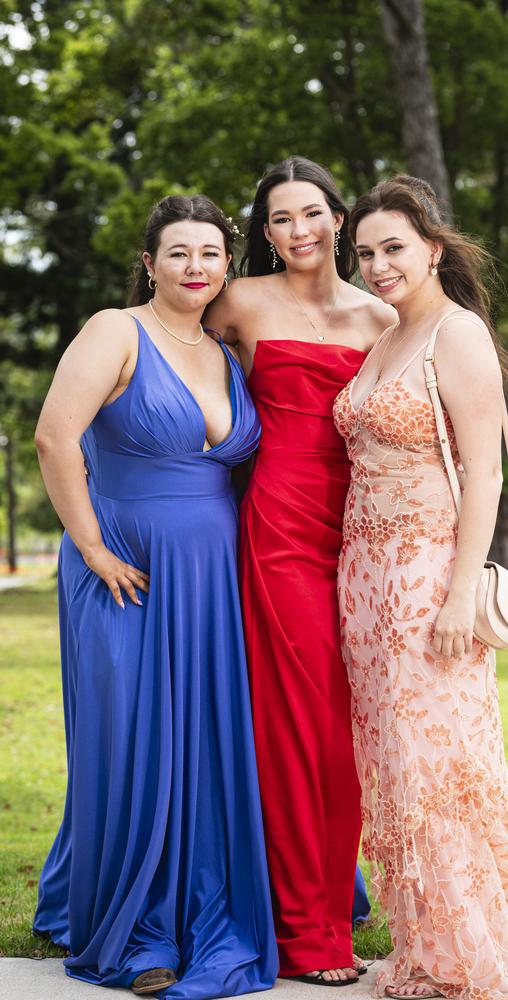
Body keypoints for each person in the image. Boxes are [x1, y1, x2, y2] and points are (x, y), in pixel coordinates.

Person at [334, 175, 508, 1000]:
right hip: (362, 576)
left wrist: (453, 596)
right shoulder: (384, 340)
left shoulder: (459, 333)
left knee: (435, 762)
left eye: (393, 248)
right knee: (390, 765)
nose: (376, 265)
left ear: (433, 249)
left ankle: (462, 947)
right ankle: (424, 933)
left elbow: (484, 471)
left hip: (425, 570)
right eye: (365, 252)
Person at [32, 195, 278, 998]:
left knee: (204, 742)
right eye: (178, 253)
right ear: (149, 263)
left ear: (226, 264)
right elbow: (55, 435)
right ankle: (137, 932)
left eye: (211, 253)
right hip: (124, 570)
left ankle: (199, 902)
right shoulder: (115, 329)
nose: (196, 267)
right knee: (132, 741)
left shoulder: (223, 353)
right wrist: (93, 545)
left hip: (213, 578)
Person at [204, 157, 393, 986]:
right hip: (278, 526)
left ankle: (324, 900)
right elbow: (170, 357)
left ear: (340, 219)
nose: (298, 232)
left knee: (345, 737)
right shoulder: (240, 301)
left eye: (310, 213)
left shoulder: (383, 316)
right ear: (264, 231)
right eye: (279, 219)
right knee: (299, 726)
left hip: (364, 532)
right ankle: (306, 933)